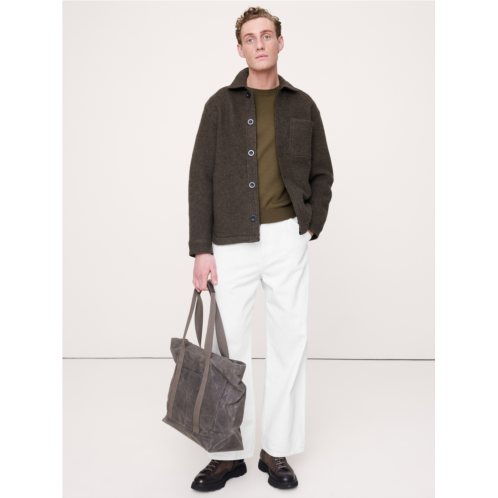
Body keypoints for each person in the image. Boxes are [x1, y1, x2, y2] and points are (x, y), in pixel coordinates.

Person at [187, 6, 334, 492]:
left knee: (290, 343)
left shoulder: (303, 105)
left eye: (266, 35)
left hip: (287, 237)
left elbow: (322, 172)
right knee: (228, 353)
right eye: (250, 39)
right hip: (230, 241)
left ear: (280, 42)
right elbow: (200, 178)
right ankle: (228, 455)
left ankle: (276, 450)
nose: (259, 44)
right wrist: (201, 248)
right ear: (240, 49)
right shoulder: (219, 106)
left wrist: (310, 225)